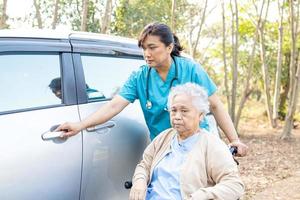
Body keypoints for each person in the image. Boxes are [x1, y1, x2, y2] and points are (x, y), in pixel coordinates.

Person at [57, 22, 248, 156]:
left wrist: (234, 140)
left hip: (197, 142)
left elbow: (215, 106)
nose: (146, 54)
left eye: (152, 47)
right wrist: (80, 125)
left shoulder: (190, 69)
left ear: (169, 47)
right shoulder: (140, 77)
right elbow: (114, 106)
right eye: (143, 48)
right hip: (164, 147)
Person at [129, 83, 244, 200]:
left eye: (184, 111)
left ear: (201, 115)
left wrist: (203, 195)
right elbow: (144, 165)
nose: (177, 116)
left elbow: (234, 185)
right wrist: (140, 180)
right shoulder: (164, 137)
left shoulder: (212, 145)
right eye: (173, 110)